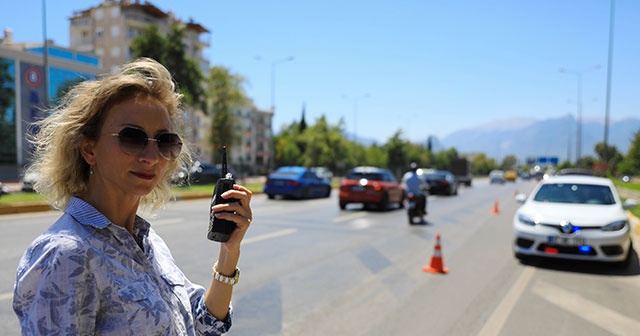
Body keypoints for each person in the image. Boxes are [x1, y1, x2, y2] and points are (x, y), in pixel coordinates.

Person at [12, 58, 253, 335]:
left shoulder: (148, 242)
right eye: (132, 137)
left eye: (164, 141)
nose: (151, 157)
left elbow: (202, 324)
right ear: (89, 150)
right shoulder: (65, 255)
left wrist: (228, 252)